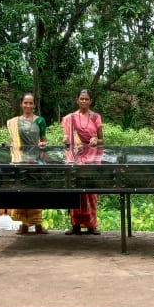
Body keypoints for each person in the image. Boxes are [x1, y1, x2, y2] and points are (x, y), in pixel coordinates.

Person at [61, 89, 104, 235]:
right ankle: (75, 225)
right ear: (77, 100)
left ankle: (92, 225)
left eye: (86, 99)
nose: (84, 101)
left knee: (90, 192)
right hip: (75, 159)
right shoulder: (70, 118)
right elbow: (67, 144)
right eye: (81, 99)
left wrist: (95, 140)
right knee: (76, 191)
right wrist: (66, 141)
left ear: (90, 101)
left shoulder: (96, 117)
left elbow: (102, 140)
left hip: (92, 159)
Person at [7, 93, 49, 234]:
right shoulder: (15, 122)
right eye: (26, 103)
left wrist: (42, 144)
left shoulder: (40, 121)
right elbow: (14, 141)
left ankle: (38, 224)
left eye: (31, 103)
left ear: (34, 105)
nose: (28, 106)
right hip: (20, 159)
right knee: (22, 191)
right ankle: (24, 225)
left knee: (36, 191)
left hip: (36, 159)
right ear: (21, 104)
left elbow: (43, 140)